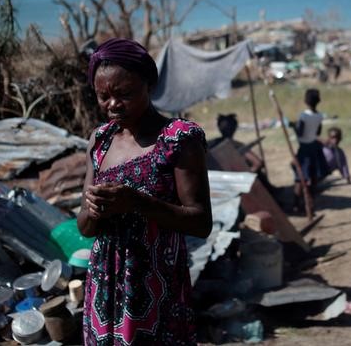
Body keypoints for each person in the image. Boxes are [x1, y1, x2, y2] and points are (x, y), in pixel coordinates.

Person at [78, 38, 212, 346]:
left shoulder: (178, 139)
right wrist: (95, 209)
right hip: (105, 288)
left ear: (148, 84)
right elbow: (85, 227)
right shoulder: (100, 142)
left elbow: (201, 222)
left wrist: (136, 202)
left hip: (157, 289)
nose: (113, 104)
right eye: (103, 97)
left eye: (124, 93)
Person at [207, 114, 275, 193]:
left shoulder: (210, 144)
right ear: (235, 127)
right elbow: (257, 163)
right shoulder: (235, 145)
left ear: (219, 127)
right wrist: (243, 179)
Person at [293, 88, 328, 218]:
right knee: (313, 176)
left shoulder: (303, 116)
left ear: (305, 101)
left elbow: (300, 133)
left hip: (304, 148)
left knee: (299, 176)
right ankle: (311, 201)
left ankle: (296, 204)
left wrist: (294, 127)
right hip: (314, 147)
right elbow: (318, 132)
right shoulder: (319, 116)